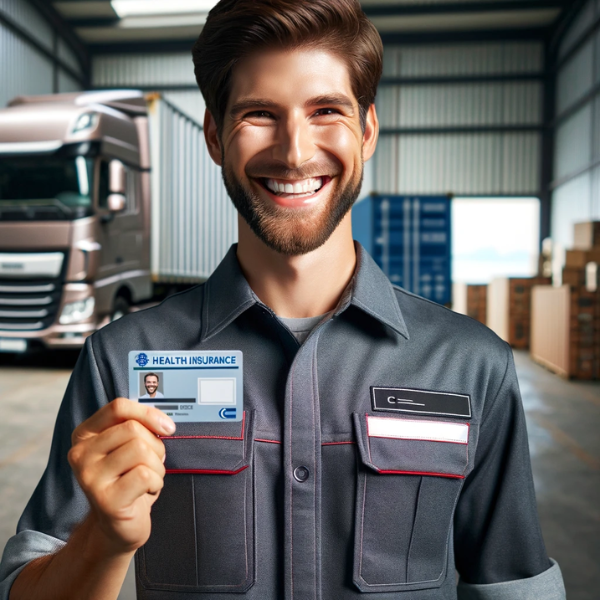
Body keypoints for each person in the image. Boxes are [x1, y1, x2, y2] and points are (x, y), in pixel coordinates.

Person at [0, 1, 567, 599]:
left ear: (367, 131)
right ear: (216, 137)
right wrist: (104, 540)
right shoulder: (120, 361)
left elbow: (513, 587)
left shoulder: (471, 365)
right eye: (259, 114)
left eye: (326, 110)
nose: (295, 152)